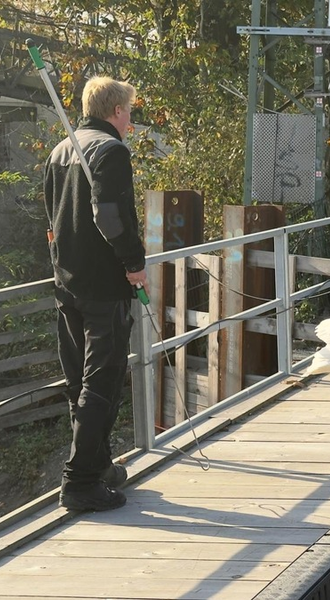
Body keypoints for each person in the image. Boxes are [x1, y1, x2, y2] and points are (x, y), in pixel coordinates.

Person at [44, 76, 148, 511]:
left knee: (78, 381)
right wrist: (134, 263)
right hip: (105, 285)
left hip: (67, 283)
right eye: (129, 111)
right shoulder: (111, 150)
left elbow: (50, 220)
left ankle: (99, 462)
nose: (131, 120)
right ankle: (81, 482)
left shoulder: (60, 150)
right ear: (116, 111)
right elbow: (109, 216)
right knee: (100, 381)